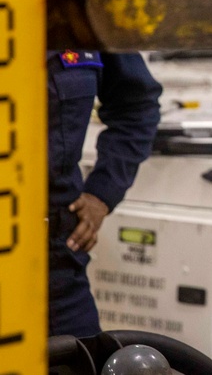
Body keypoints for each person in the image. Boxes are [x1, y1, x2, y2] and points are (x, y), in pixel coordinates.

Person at [48, 50, 161, 338]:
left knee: (79, 360)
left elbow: (136, 104)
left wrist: (102, 192)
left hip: (57, 266)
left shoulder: (78, 16)